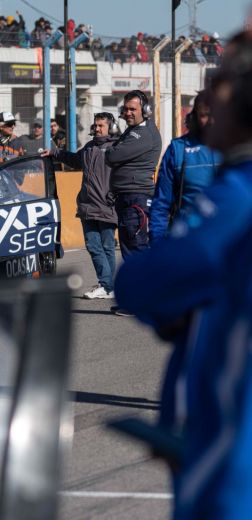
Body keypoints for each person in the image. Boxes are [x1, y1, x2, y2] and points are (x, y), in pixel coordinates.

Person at [115, 31, 252, 518]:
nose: (208, 99)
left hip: (231, 472)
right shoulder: (183, 153)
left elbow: (136, 284)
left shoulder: (238, 197)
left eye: (217, 82)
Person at [46, 113, 118, 299]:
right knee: (94, 246)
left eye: (101, 125)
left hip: (107, 206)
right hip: (87, 205)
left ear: (110, 127)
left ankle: (108, 286)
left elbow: (123, 174)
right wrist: (55, 153)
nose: (97, 128)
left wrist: (114, 195)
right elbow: (74, 160)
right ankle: (107, 285)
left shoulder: (116, 147)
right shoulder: (89, 147)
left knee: (108, 246)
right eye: (95, 125)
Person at [149, 91, 221, 243]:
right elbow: (161, 205)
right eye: (205, 115)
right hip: (190, 243)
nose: (212, 121)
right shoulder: (177, 150)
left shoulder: (239, 148)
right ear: (194, 116)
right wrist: (158, 246)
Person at [105, 90, 162, 259]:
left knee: (136, 250)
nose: (127, 113)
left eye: (132, 109)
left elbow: (111, 156)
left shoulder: (143, 134)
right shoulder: (132, 130)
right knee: (130, 250)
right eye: (125, 109)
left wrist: (111, 149)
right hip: (128, 198)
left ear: (145, 110)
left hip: (136, 199)